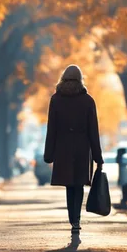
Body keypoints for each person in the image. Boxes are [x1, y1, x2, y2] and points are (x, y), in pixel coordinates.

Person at [43, 64, 104, 235]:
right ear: (80, 79)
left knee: (69, 185)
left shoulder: (56, 100)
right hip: (81, 148)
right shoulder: (88, 101)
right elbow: (93, 131)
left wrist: (49, 154)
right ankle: (76, 219)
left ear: (63, 79)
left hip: (63, 148)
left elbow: (52, 129)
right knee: (79, 184)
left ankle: (73, 219)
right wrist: (98, 157)